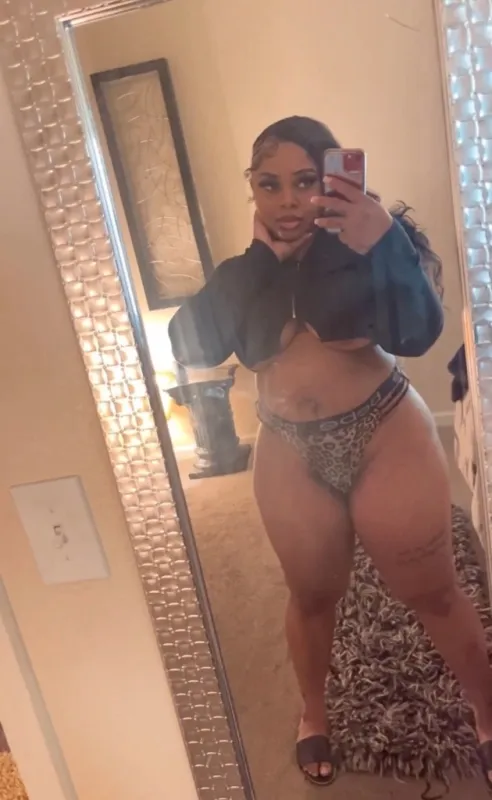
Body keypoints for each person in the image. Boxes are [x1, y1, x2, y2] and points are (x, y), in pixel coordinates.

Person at [168, 116, 492, 788]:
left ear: (332, 181)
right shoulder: (244, 273)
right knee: (312, 595)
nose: (288, 200)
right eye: (269, 184)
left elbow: (418, 335)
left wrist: (386, 242)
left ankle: (488, 716)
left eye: (305, 181)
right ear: (253, 189)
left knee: (432, 591)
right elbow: (190, 345)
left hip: (382, 431)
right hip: (288, 444)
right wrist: (262, 264)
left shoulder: (367, 244)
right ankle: (312, 713)